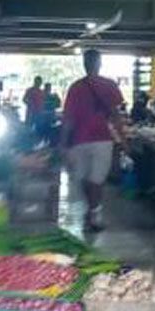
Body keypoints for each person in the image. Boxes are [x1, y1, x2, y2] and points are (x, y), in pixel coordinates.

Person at [62, 49, 125, 232]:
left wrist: (63, 143)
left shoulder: (75, 87)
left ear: (84, 63)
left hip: (78, 140)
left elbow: (68, 119)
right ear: (100, 63)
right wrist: (123, 139)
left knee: (84, 179)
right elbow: (115, 115)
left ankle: (90, 213)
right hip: (101, 139)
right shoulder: (109, 85)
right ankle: (93, 214)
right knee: (96, 180)